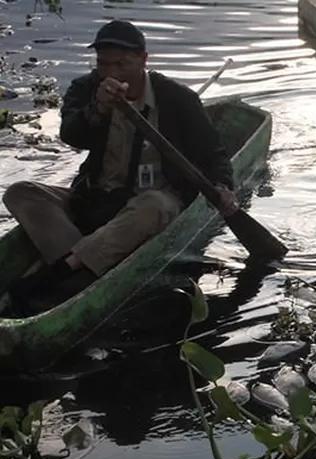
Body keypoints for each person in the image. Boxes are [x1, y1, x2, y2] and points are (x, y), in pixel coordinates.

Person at [1, 19, 238, 316]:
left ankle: (64, 269)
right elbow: (71, 135)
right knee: (21, 193)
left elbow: (213, 154)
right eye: (104, 64)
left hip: (148, 206)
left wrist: (223, 186)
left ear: (143, 60)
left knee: (155, 205)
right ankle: (90, 264)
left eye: (121, 65)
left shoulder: (177, 99)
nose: (111, 73)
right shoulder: (86, 89)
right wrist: (97, 110)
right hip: (95, 201)